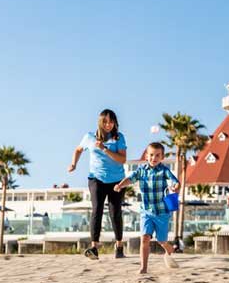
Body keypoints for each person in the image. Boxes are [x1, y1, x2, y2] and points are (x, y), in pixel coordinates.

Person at [68, 109, 127, 260]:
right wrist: (73, 164)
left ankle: (119, 245)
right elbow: (78, 149)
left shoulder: (119, 138)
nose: (108, 125)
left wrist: (105, 149)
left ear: (115, 122)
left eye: (111, 121)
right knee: (97, 209)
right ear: (100, 122)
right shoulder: (89, 137)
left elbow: (122, 159)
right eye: (105, 122)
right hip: (96, 179)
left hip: (116, 180)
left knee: (115, 212)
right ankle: (94, 247)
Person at [114, 142, 180, 274]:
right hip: (146, 211)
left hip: (161, 212)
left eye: (157, 155)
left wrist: (175, 186)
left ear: (162, 157)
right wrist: (120, 185)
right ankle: (143, 267)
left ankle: (169, 248)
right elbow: (130, 179)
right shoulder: (141, 171)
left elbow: (175, 181)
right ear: (146, 156)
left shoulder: (164, 170)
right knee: (144, 238)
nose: (153, 158)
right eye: (151, 155)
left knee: (162, 240)